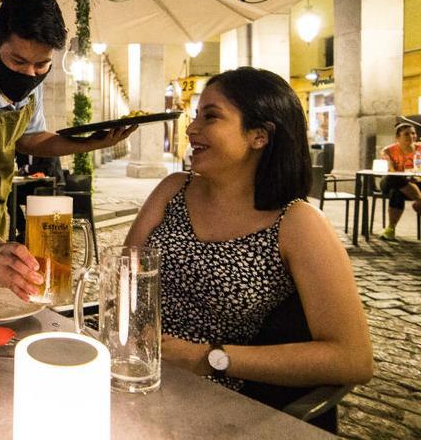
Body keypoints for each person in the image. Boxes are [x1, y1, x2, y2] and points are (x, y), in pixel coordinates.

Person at [124, 68, 372, 415]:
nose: (192, 129)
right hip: (133, 372)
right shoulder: (172, 189)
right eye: (195, 116)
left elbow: (353, 359)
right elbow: (124, 276)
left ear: (259, 135)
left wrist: (209, 357)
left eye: (210, 117)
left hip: (214, 404)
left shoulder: (297, 223)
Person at [0, 0, 135, 301]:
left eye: (42, 65)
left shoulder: (31, 79)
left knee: (8, 291)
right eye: (18, 62)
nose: (30, 74)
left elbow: (31, 139)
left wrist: (90, 143)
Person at [378, 122, 421, 241]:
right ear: (397, 138)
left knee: (396, 193)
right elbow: (391, 171)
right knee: (394, 178)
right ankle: (419, 200)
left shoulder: (420, 149)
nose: (411, 136)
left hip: (414, 182)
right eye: (406, 134)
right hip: (391, 180)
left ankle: (390, 229)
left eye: (413, 133)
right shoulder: (388, 151)